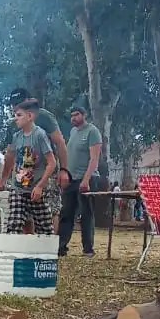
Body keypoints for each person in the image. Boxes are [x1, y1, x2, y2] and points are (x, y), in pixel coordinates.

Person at [5, 89, 68, 231]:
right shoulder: (14, 123)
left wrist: (64, 170)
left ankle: (51, 246)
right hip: (24, 172)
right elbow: (10, 153)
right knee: (25, 213)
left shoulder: (44, 117)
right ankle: (30, 248)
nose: (15, 107)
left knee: (50, 210)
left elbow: (59, 143)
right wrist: (4, 177)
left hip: (46, 171)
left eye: (18, 104)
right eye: (13, 105)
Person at [0, 102, 57, 235]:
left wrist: (40, 186)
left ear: (30, 116)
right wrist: (3, 179)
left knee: (45, 227)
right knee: (14, 223)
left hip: (35, 189)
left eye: (19, 115)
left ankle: (46, 253)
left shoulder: (40, 135)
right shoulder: (16, 137)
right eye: (15, 115)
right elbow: (10, 157)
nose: (16, 118)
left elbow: (52, 162)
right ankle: (14, 253)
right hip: (18, 188)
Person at [59, 101, 103, 257]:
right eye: (72, 115)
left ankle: (88, 249)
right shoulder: (72, 132)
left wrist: (86, 180)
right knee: (66, 213)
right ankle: (61, 247)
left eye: (76, 114)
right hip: (71, 179)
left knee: (86, 214)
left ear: (84, 115)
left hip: (87, 179)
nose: (74, 118)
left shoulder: (93, 132)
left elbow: (94, 159)